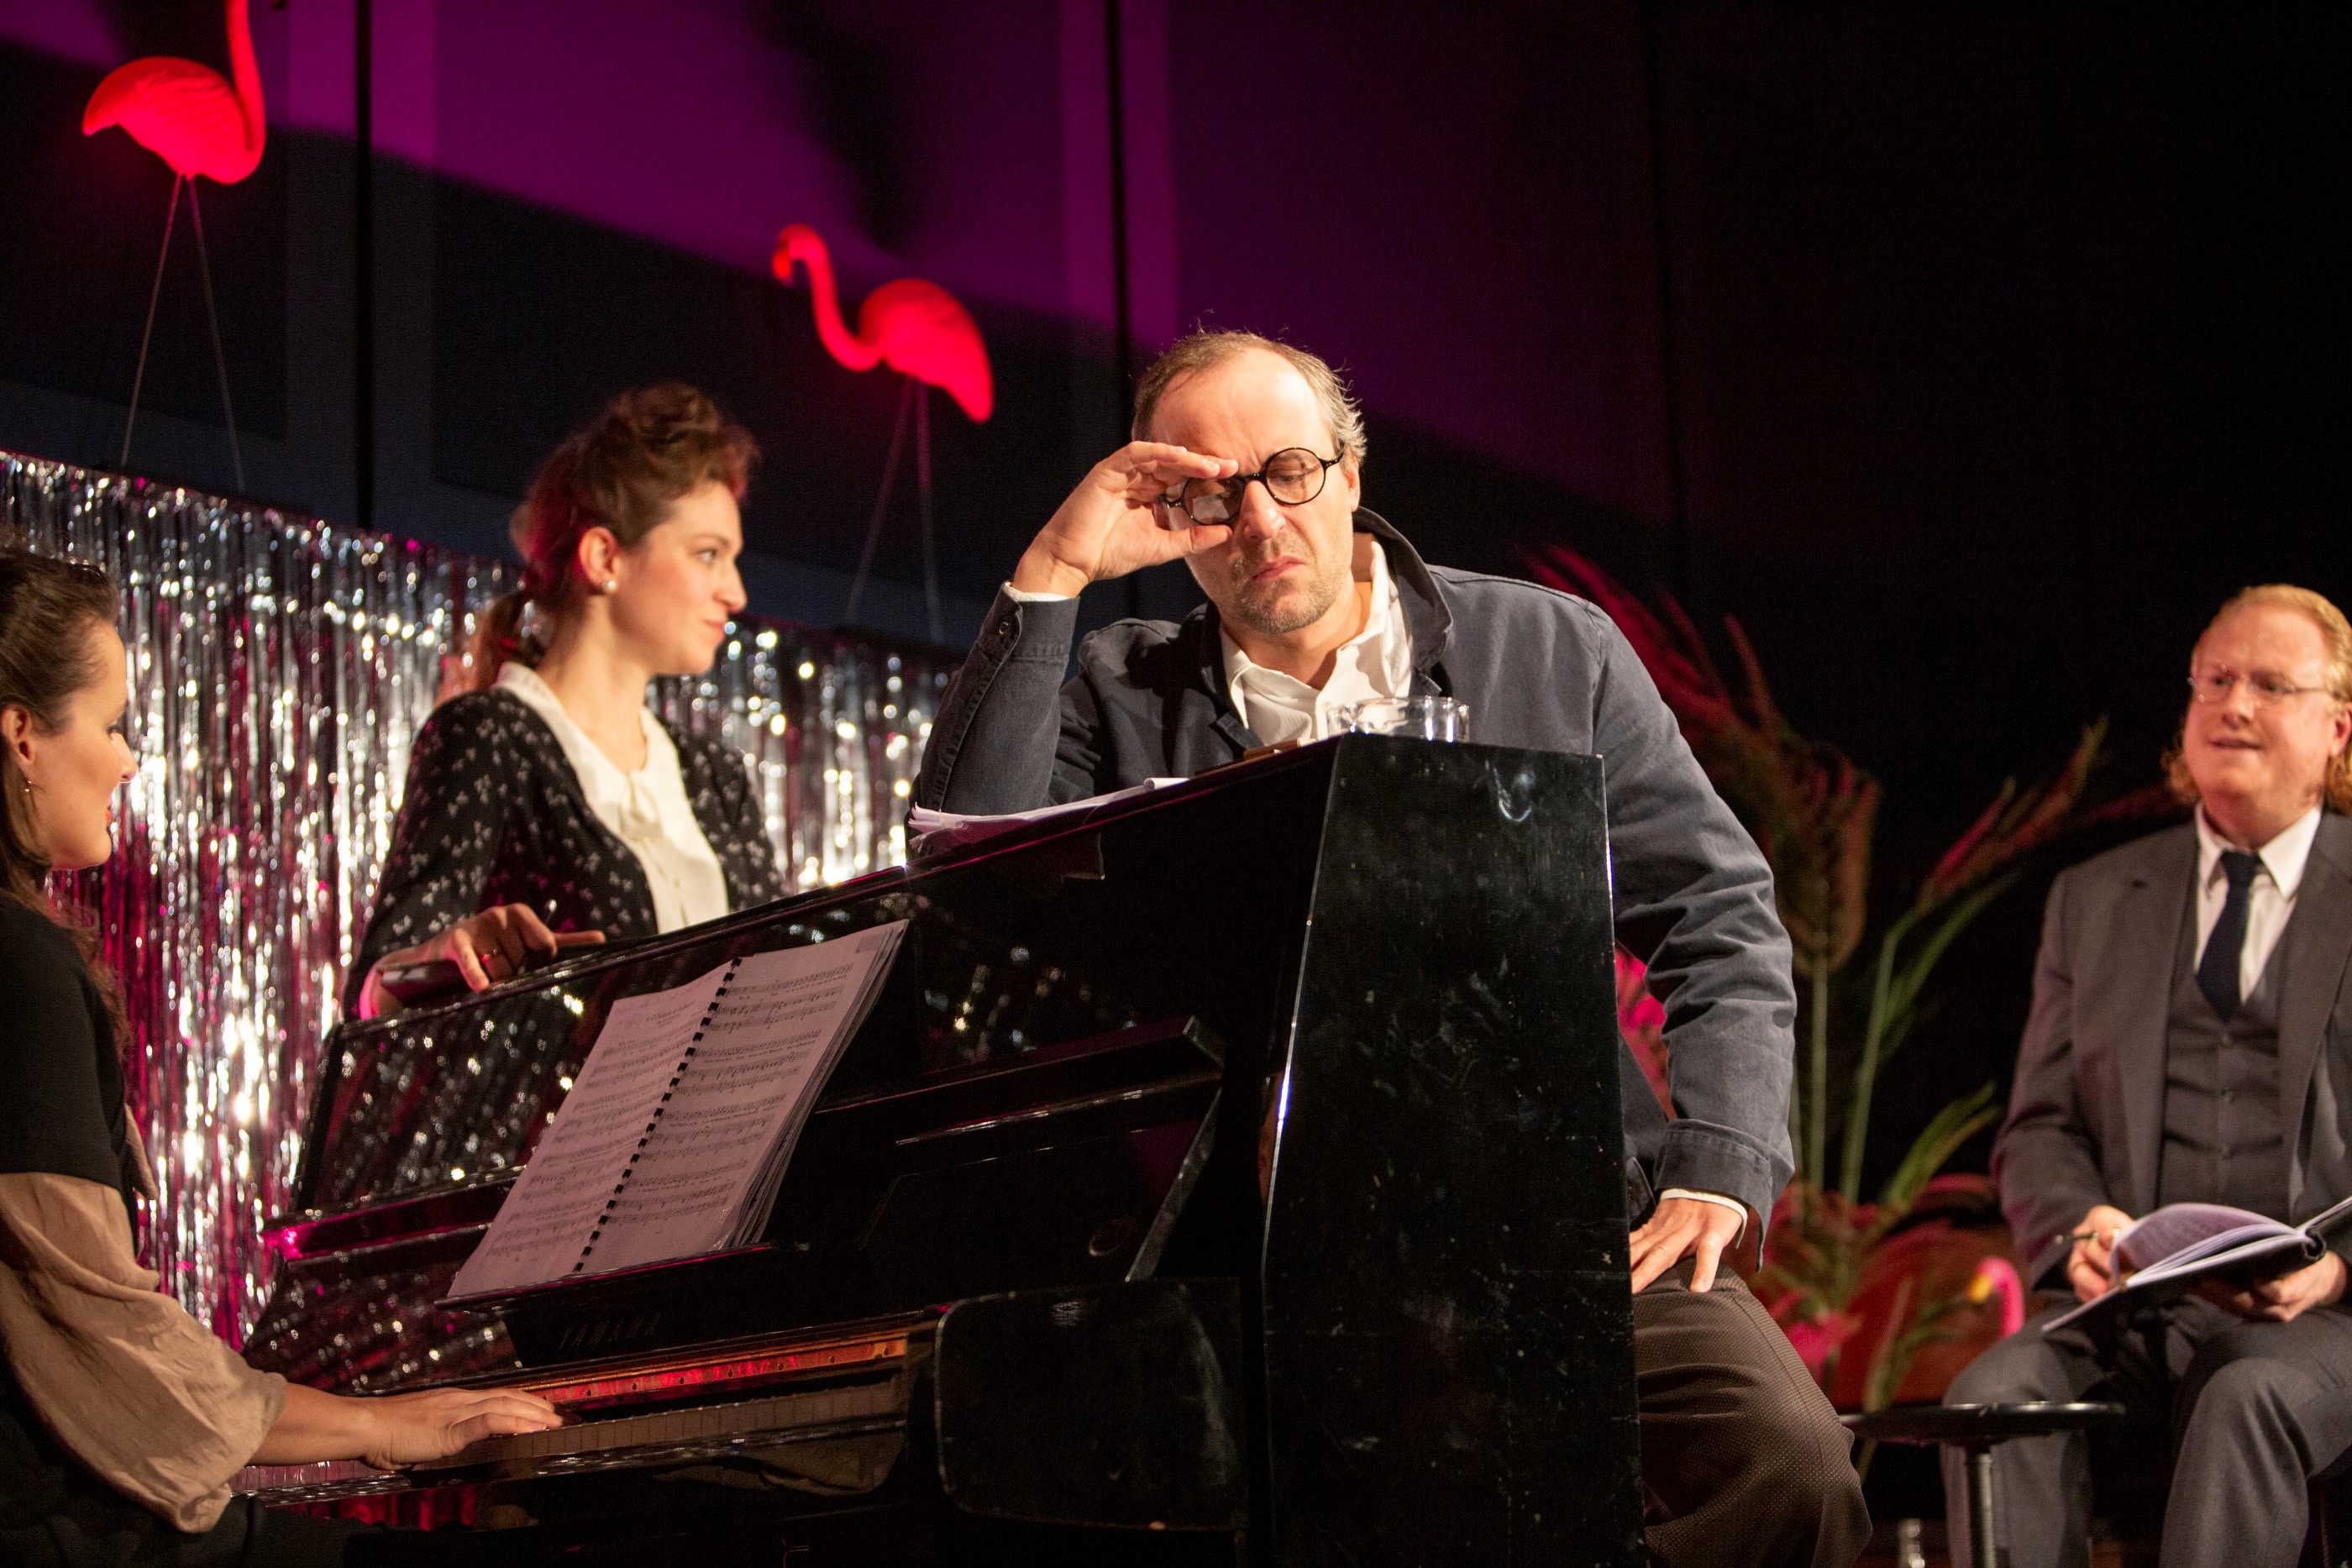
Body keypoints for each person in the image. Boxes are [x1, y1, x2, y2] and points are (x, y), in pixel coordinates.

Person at [913, 329, 1869, 1565]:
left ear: (1351, 472)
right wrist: (1054, 568)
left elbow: (1719, 909)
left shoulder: (1550, 650)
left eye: (1289, 471)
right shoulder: (1120, 684)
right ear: (1171, 516)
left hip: (1562, 1227)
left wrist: (1721, 1165)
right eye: (1213, 493)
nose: (1261, 520)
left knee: (1785, 1464)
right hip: (1259, 1250)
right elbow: (967, 870)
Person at [0, 548, 561, 1565]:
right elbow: (98, 1325)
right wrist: (383, 1422)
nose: (128, 761)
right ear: (23, 735)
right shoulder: (21, 965)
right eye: (114, 724)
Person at [1942, 585, 2352, 1567]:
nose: (2233, 705)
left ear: (2337, 728)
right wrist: (2076, 1226)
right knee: (1991, 1397)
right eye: (2213, 680)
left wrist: (2339, 1268)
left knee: (2243, 1392)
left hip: (2329, 1312)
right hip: (2135, 1307)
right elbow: (2039, 1127)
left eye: (2269, 685)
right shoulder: (2093, 900)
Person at [349, 384, 787, 1017]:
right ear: (605, 557)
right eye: (708, 554)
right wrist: (447, 955)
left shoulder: (715, 780)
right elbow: (376, 993)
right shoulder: (489, 736)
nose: (736, 592)